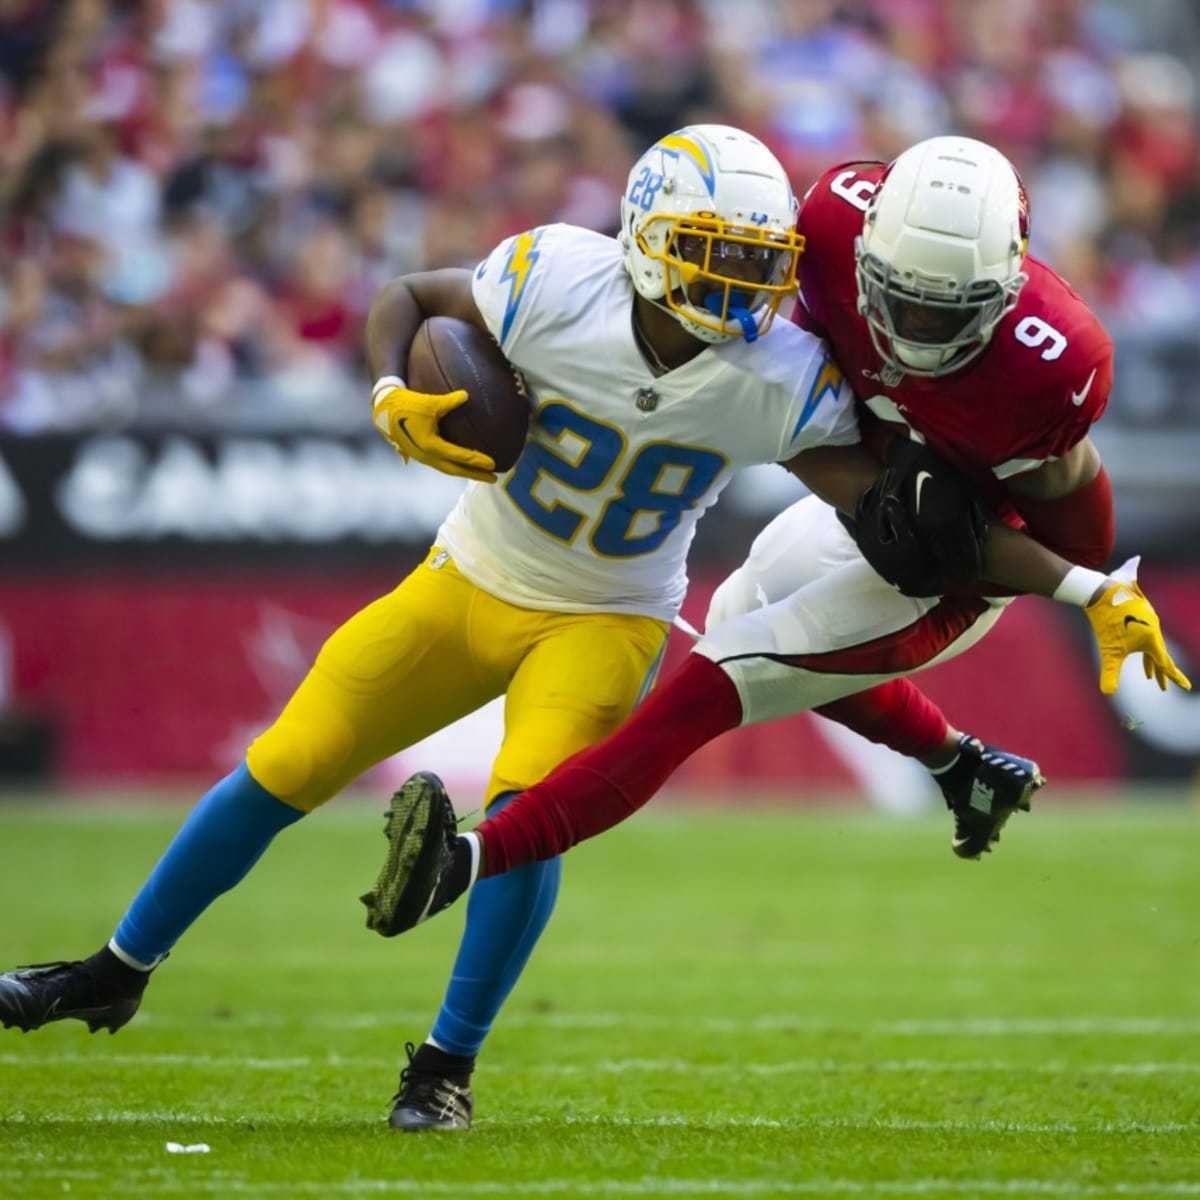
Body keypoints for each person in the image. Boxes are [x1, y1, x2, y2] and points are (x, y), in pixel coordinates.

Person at [0, 124, 1008, 1132]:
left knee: (526, 814)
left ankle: (444, 1066)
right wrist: (391, 388)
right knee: (284, 764)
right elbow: (407, 300)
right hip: (469, 576)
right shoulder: (555, 278)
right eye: (718, 252)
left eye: (760, 260)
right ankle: (115, 970)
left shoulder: (780, 373)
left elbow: (870, 496)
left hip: (607, 619)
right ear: (648, 238)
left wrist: (953, 516)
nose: (744, 285)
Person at [358, 135, 1192, 957]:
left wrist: (1091, 586)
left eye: (949, 309)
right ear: (864, 254)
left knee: (724, 673)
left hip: (972, 550)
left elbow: (1058, 505)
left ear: (1005, 290)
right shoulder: (828, 221)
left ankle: (464, 861)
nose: (917, 326)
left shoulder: (1055, 360)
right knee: (740, 613)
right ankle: (964, 767)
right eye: (899, 297)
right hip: (875, 492)